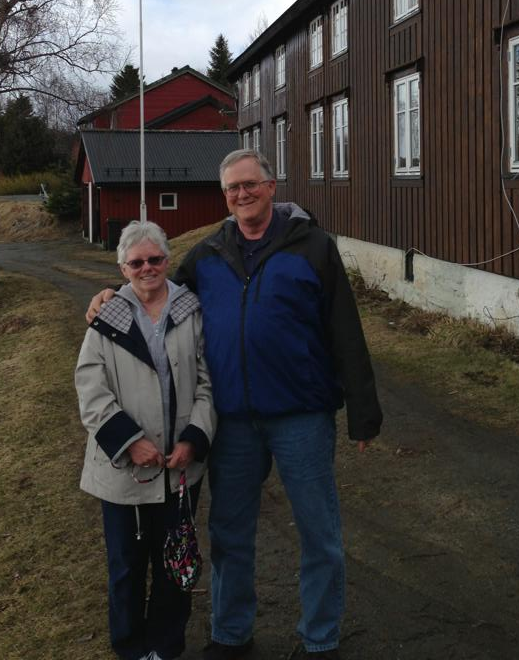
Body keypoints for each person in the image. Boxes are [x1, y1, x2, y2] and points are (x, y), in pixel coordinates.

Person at [87, 151, 383, 660]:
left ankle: (320, 639)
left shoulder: (313, 247)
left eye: (250, 185)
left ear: (271, 186)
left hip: (302, 416)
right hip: (235, 423)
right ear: (225, 196)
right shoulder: (209, 253)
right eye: (232, 189)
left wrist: (363, 410)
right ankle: (230, 635)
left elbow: (345, 330)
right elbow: (157, 288)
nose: (241, 195)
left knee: (319, 533)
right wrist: (110, 293)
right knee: (229, 534)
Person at [76, 220, 216, 660]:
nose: (147, 268)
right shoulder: (106, 318)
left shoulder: (191, 311)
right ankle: (132, 649)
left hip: (178, 470)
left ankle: (167, 647)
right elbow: (90, 388)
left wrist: (194, 437)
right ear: (123, 269)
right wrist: (130, 440)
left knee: (176, 565)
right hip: (124, 475)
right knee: (127, 568)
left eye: (155, 259)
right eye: (136, 262)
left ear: (167, 261)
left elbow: (208, 384)